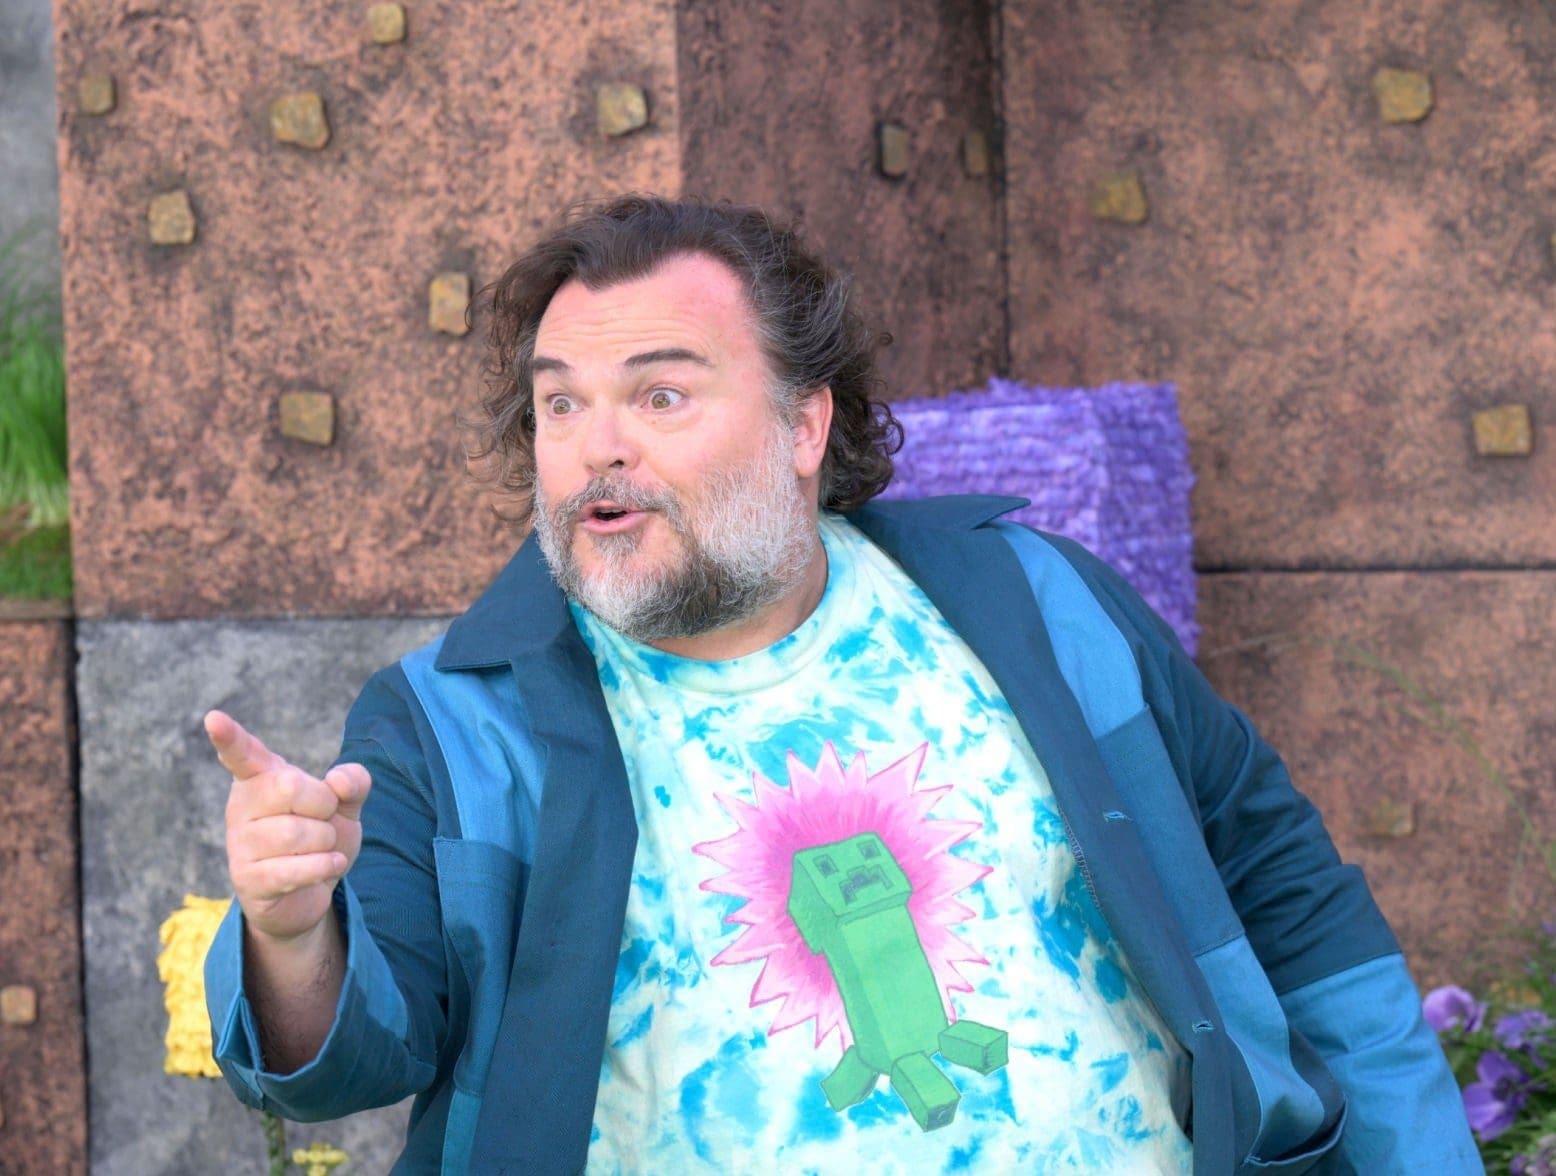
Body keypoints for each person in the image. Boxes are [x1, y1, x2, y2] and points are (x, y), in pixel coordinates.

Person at [204, 195, 1478, 1174]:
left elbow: (1286, 901)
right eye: (561, 406)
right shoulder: (453, 722)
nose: (598, 446)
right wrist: (290, 931)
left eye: (659, 394)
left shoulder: (1034, 602)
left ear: (802, 426)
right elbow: (346, 1059)